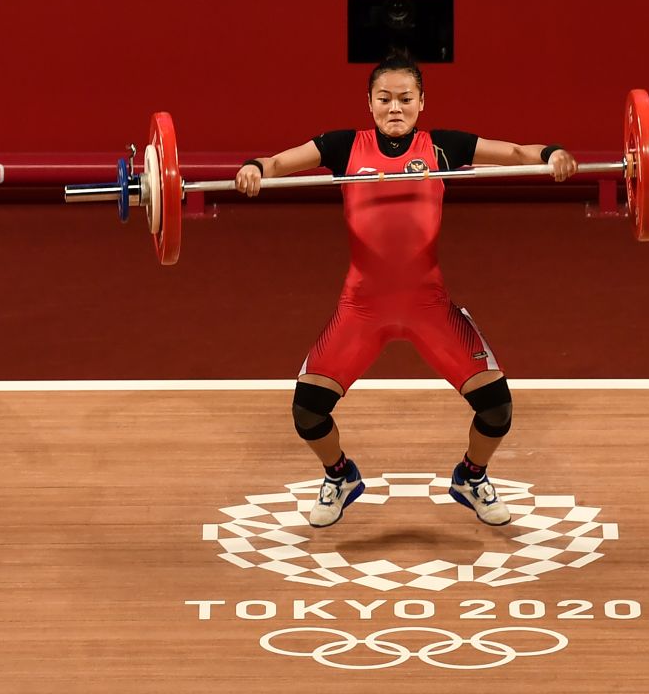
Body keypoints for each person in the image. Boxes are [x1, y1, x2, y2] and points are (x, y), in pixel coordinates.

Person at [234, 51, 578, 528]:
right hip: (361, 308)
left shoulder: (443, 147)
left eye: (405, 98)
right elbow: (275, 162)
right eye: (384, 99)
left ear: (421, 102)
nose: (394, 108)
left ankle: (471, 477)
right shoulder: (341, 147)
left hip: (427, 305)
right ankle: (340, 476)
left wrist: (552, 155)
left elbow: (519, 153)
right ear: (369, 103)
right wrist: (253, 169)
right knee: (307, 412)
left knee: (496, 409)